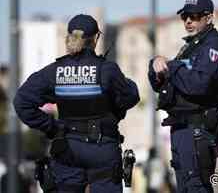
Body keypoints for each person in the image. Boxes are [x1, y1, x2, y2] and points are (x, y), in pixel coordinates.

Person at [13, 14, 140, 193]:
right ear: (95, 39)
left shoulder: (54, 71)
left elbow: (21, 102)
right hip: (103, 148)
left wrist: (52, 128)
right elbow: (131, 97)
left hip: (67, 148)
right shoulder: (107, 70)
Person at [148, 0, 218, 193]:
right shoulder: (191, 47)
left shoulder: (215, 45)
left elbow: (199, 85)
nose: (188, 21)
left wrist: (171, 66)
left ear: (208, 18)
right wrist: (156, 65)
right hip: (181, 128)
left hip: (198, 130)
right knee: (185, 187)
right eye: (185, 16)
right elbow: (162, 85)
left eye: (194, 16)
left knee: (196, 186)